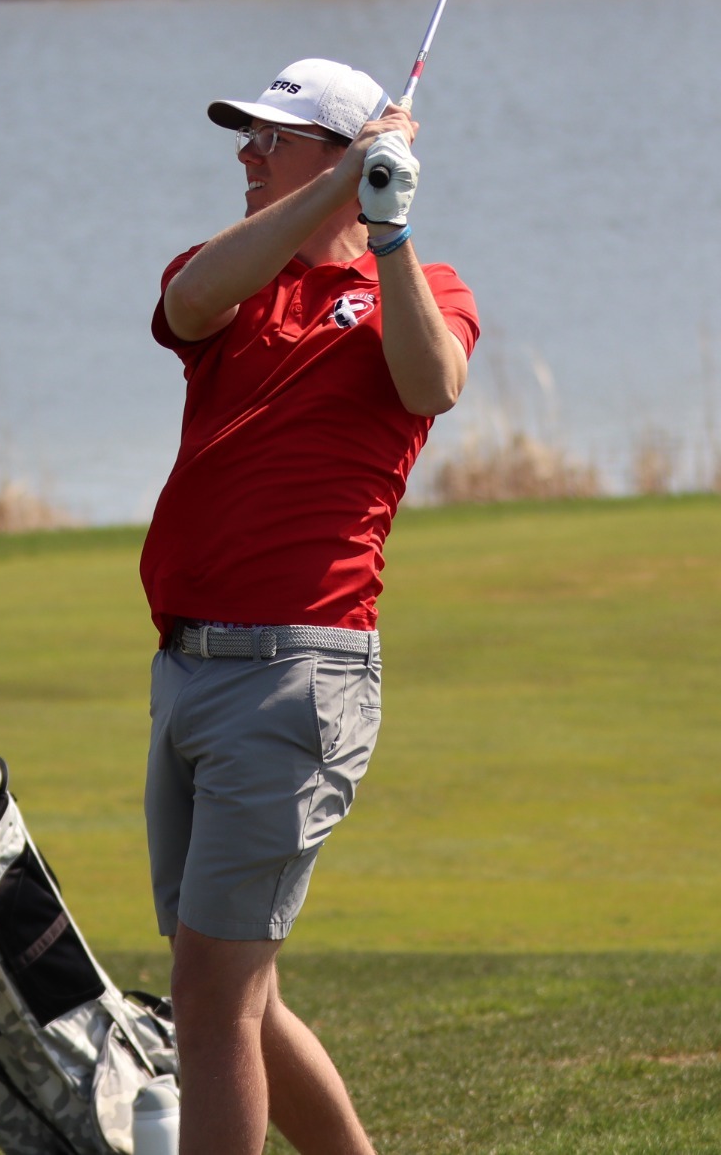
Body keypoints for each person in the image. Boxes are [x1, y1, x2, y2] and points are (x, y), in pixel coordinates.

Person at [140, 57, 480, 1155]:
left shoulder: (417, 290)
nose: (244, 155)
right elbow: (185, 301)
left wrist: (385, 231)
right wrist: (336, 190)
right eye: (247, 138)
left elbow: (429, 384)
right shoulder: (229, 281)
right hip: (187, 673)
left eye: (270, 139)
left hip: (296, 677)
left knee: (210, 993)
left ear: (336, 154)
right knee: (236, 988)